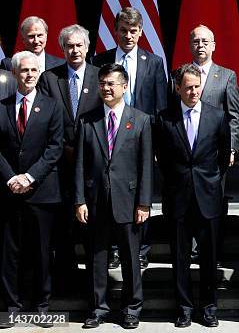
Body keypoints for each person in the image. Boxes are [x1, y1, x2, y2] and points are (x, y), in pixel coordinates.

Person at [74, 63, 153, 329]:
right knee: (97, 258)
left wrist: (144, 202)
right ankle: (98, 308)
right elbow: (80, 164)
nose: (106, 88)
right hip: (95, 200)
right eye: (102, 83)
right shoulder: (87, 120)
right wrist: (79, 200)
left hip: (129, 202)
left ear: (124, 86)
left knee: (131, 258)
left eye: (111, 83)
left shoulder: (140, 119)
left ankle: (132, 308)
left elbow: (146, 166)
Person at [156, 64, 230, 328]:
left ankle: (209, 307)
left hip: (208, 198)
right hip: (178, 199)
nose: (193, 91)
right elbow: (162, 160)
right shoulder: (164, 118)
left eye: (197, 86)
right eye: (187, 87)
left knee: (209, 259)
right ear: (177, 89)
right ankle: (184, 308)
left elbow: (223, 157)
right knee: (180, 259)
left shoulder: (217, 116)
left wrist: (207, 182)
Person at [92, 6, 167, 268]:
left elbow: (160, 107)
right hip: (109, 136)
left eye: (133, 31)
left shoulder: (154, 62)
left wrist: (156, 144)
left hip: (141, 136)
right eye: (123, 30)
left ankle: (141, 249)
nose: (128, 36)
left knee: (140, 194)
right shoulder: (99, 60)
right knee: (111, 192)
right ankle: (113, 248)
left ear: (141, 32)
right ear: (115, 31)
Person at [0, 51, 63, 328]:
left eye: (33, 70)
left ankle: (42, 305)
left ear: (39, 73)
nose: (29, 75)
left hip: (41, 191)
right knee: (8, 252)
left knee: (40, 252)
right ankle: (11, 306)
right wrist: (11, 178)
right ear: (14, 74)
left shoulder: (51, 106)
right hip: (7, 191)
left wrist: (29, 177)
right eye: (23, 70)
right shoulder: (1, 106)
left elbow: (55, 147)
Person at [38, 24, 102, 282]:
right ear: (62, 49)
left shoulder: (100, 76)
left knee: (93, 226)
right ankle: (65, 279)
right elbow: (43, 120)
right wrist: (63, 149)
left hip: (94, 164)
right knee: (63, 225)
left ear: (87, 48)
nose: (74, 50)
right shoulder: (49, 78)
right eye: (69, 46)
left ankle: (94, 285)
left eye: (79, 45)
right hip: (60, 163)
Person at [183, 25, 239, 265]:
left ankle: (213, 250)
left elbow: (234, 116)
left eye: (205, 41)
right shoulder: (180, 75)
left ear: (214, 45)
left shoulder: (227, 76)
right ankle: (191, 248)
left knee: (214, 204)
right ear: (190, 45)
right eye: (196, 41)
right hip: (187, 154)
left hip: (216, 154)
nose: (200, 46)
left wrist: (232, 147)